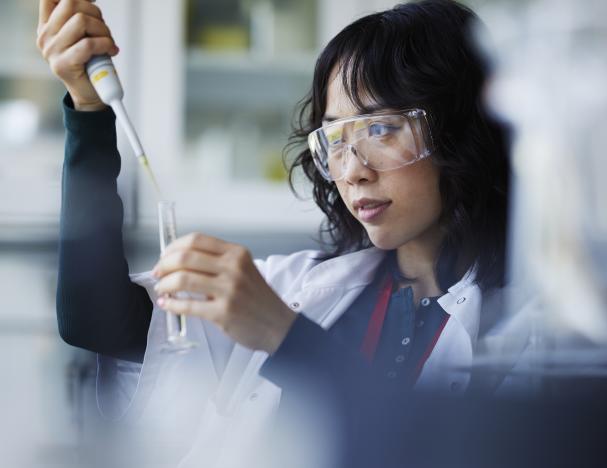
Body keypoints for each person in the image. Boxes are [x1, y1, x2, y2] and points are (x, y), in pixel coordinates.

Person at [39, 0, 528, 464]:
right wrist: (88, 110)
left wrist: (284, 335)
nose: (353, 170)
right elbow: (93, 318)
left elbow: (429, 448)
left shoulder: (530, 332)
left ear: (463, 132)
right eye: (336, 136)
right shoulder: (294, 288)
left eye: (380, 129)